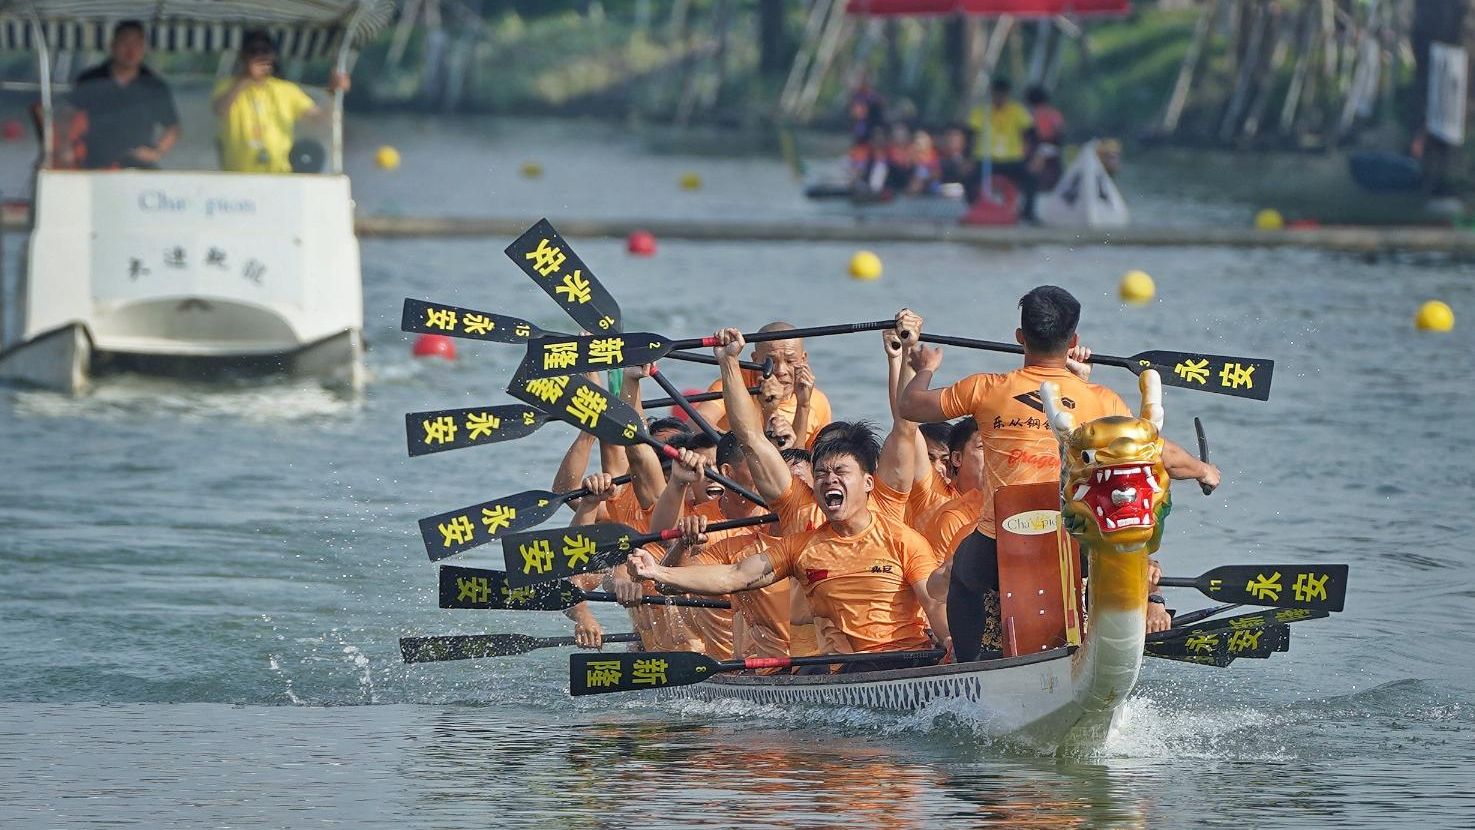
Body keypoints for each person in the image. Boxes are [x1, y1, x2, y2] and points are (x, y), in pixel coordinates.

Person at [897, 286, 1220, 662]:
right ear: (1074, 340)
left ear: (1020, 337)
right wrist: (1204, 471)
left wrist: (926, 368)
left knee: (964, 580)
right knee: (1112, 542)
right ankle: (1100, 637)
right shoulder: (1101, 400)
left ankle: (969, 670)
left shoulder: (986, 389)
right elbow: (1160, 453)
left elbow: (910, 405)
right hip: (1074, 538)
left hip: (1002, 545)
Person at [627, 322, 950, 669]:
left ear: (868, 483)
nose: (828, 481)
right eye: (822, 473)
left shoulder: (899, 530)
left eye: (840, 473)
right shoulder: (802, 541)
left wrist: (950, 644)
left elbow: (905, 427)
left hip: (907, 658)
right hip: (837, 670)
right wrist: (658, 574)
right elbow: (736, 573)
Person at [212, 30, 349, 173]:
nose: (259, 56)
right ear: (243, 56)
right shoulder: (227, 86)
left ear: (273, 56)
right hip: (237, 174)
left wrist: (333, 93)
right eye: (253, 51)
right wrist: (245, 79)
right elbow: (219, 110)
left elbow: (319, 119)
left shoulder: (287, 90)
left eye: (265, 51)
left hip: (279, 174)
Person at [693, 322, 834, 449]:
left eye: (790, 361)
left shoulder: (818, 401)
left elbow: (808, 462)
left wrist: (803, 406)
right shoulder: (736, 383)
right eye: (771, 362)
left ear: (803, 359)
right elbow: (697, 422)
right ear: (755, 359)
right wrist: (734, 447)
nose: (781, 371)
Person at [64, 20, 179, 170]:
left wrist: (157, 152)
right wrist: (66, 148)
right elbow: (66, 116)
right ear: (112, 45)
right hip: (94, 163)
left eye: (137, 44)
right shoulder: (91, 80)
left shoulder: (154, 86)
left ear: (144, 48)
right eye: (125, 42)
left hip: (139, 165)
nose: (131, 50)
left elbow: (172, 126)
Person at [968, 77, 1035, 218]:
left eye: (1002, 94)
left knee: (1031, 177)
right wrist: (968, 159)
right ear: (992, 93)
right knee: (969, 177)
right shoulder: (981, 111)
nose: (999, 97)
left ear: (1007, 94)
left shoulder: (1017, 111)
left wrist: (1031, 158)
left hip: (1012, 160)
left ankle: (1028, 214)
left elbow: (1031, 135)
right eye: (996, 93)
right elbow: (971, 136)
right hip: (985, 159)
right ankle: (976, 210)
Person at [1024, 85, 1065, 192]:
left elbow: (1038, 136)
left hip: (1040, 149)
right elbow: (1059, 133)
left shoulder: (1031, 114)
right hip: (1053, 149)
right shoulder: (1055, 114)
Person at [937, 125, 979, 203]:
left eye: (956, 136)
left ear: (964, 139)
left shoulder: (973, 162)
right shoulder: (937, 160)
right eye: (949, 135)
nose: (952, 139)